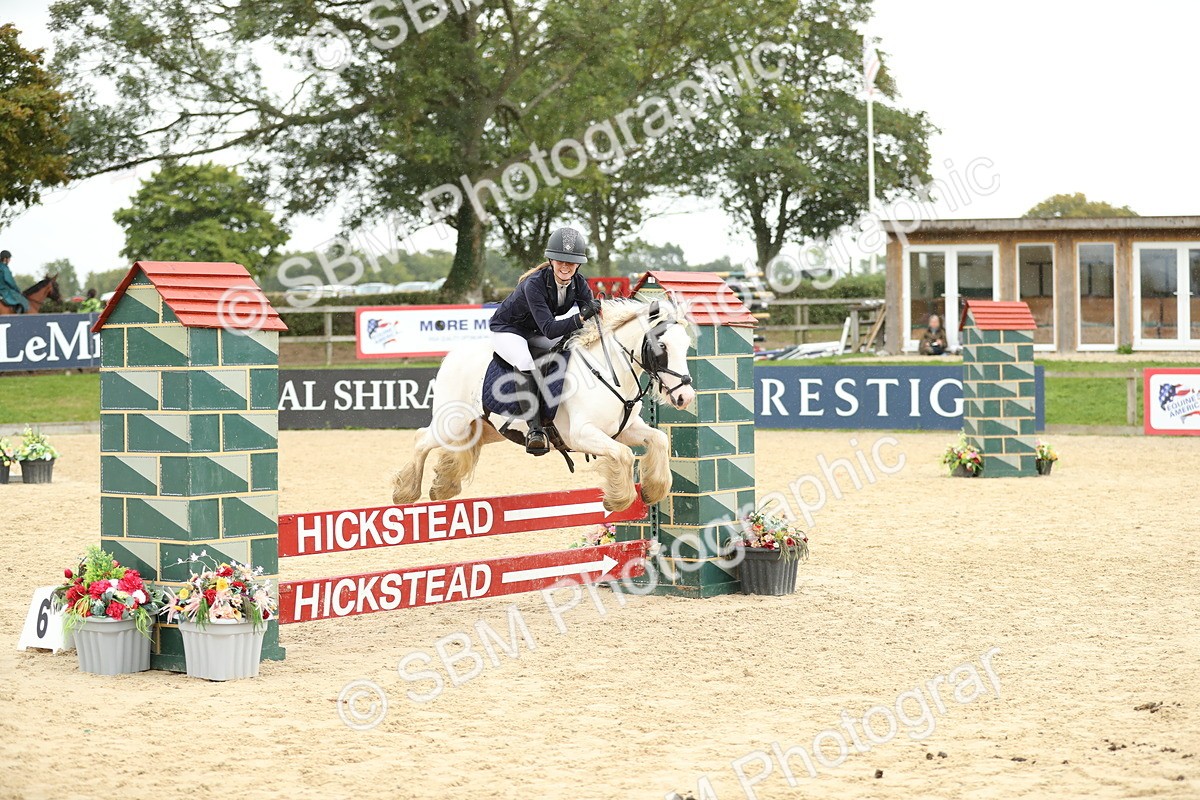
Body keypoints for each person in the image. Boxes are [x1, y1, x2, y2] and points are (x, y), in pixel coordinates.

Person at [489, 226, 601, 454]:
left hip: (534, 329)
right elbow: (550, 329)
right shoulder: (535, 284)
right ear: (551, 260)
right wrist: (580, 318)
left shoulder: (579, 283)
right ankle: (535, 430)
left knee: (571, 347)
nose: (565, 266)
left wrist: (597, 312)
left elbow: (590, 311)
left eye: (571, 262)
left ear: (578, 264)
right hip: (509, 329)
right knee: (524, 360)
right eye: (560, 260)